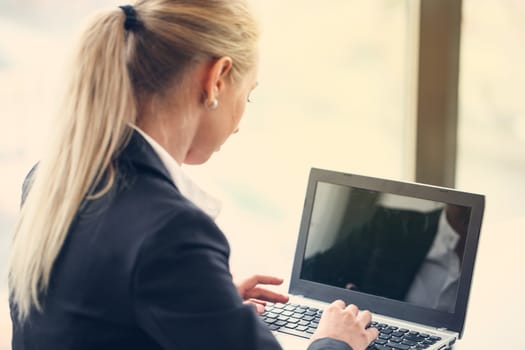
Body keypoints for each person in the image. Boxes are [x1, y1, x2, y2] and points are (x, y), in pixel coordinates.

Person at [8, 1, 378, 349]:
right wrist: (334, 340)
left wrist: (206, 299)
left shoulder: (50, 179)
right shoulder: (170, 230)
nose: (238, 125)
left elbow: (100, 311)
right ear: (216, 79)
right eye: (247, 96)